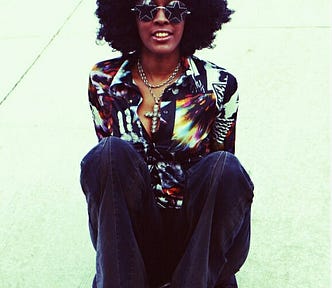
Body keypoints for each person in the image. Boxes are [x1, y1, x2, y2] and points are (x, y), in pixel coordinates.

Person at [80, 0, 254, 287]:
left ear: (192, 16)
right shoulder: (103, 81)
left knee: (225, 169)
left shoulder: (218, 85)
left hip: (198, 239)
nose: (161, 19)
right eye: (148, 10)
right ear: (129, 16)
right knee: (108, 155)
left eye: (174, 10)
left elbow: (222, 187)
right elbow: (109, 185)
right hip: (133, 238)